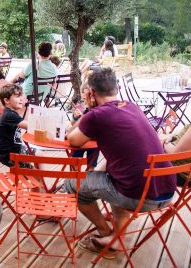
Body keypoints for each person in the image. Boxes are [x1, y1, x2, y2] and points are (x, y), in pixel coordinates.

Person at [66, 69, 176, 256]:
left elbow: (73, 140)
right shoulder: (132, 107)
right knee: (114, 176)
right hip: (166, 192)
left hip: (140, 197)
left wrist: (88, 110)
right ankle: (118, 237)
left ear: (91, 92)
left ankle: (106, 234)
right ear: (116, 88)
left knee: (71, 184)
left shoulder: (96, 115)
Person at [0, 84, 31, 167]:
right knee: (38, 154)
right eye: (17, 96)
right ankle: (39, 174)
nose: (21, 98)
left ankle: (36, 174)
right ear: (7, 100)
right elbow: (30, 126)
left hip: (10, 150)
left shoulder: (10, 113)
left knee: (36, 154)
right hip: (9, 154)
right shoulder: (9, 115)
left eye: (21, 95)